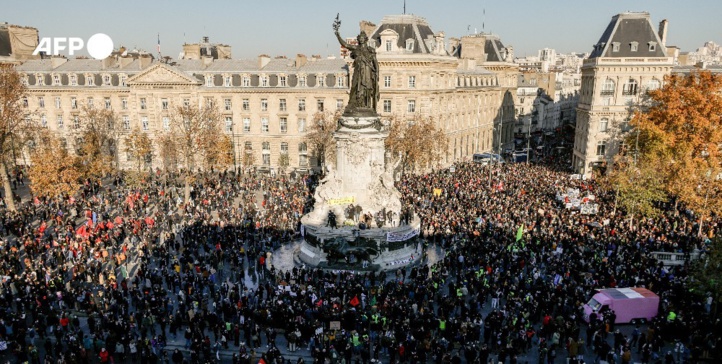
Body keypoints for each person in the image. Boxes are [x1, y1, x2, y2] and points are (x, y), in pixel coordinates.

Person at [333, 15, 379, 113]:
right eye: (360, 38)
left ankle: (367, 107)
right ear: (358, 39)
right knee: (355, 87)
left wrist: (377, 75)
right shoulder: (356, 49)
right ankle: (355, 104)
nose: (361, 39)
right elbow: (345, 44)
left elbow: (376, 64)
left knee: (367, 89)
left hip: (367, 73)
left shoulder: (371, 50)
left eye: (363, 38)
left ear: (365, 39)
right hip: (358, 72)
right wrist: (338, 35)